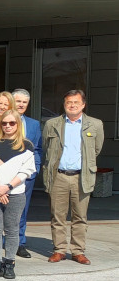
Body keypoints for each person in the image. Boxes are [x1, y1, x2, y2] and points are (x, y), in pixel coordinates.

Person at [43, 89, 104, 265]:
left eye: (76, 102)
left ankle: (78, 251)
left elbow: (96, 149)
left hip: (81, 176)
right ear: (64, 104)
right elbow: (47, 148)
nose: (72, 105)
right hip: (59, 176)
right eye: (69, 102)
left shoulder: (95, 124)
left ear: (83, 105)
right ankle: (59, 250)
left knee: (80, 217)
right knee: (58, 216)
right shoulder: (52, 124)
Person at [0, 110, 36, 279]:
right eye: (4, 123)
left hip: (16, 193)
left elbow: (26, 171)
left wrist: (8, 187)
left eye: (12, 123)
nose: (8, 126)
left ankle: (9, 263)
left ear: (18, 124)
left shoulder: (27, 146)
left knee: (12, 229)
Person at [11, 89, 42, 258]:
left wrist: (35, 168)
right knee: (3, 209)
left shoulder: (34, 124)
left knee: (22, 209)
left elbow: (37, 148)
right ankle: (2, 241)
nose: (21, 105)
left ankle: (20, 243)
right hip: (5, 174)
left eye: (24, 102)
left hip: (26, 174)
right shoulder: (3, 121)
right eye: (18, 101)